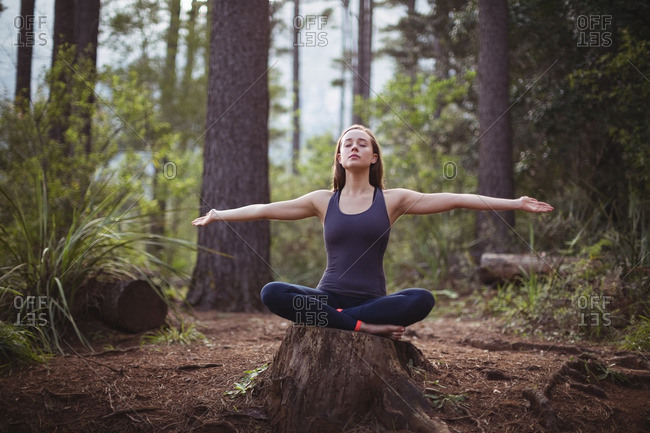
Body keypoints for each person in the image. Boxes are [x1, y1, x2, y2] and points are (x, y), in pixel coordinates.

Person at [192, 125, 553, 340]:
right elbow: (264, 210)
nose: (353, 147)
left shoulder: (394, 200)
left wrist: (516, 203)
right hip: (327, 300)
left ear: (374, 156)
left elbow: (457, 198)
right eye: (347, 143)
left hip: (374, 302)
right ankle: (363, 328)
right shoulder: (321, 201)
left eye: (361, 143)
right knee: (273, 291)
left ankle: (356, 321)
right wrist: (218, 214)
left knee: (422, 298)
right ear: (338, 157)